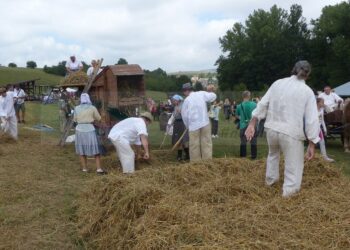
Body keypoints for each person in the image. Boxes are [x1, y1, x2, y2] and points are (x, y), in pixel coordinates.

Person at [245, 60, 320, 198]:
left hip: (272, 129)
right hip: (291, 133)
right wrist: (312, 142)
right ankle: (289, 195)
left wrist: (252, 123)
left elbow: (262, 104)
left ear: (293, 69)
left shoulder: (277, 83)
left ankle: (270, 182)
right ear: (308, 75)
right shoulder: (307, 91)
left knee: (273, 155)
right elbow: (312, 119)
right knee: (293, 164)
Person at [181, 83, 217, 161]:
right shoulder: (201, 93)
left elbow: (184, 115)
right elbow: (214, 96)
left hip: (193, 125)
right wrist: (209, 91)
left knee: (194, 145)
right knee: (206, 143)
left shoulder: (187, 100)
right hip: (205, 123)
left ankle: (196, 164)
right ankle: (207, 162)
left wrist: (187, 125)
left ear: (186, 91)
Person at [73, 93, 106, 174]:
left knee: (82, 150)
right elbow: (99, 119)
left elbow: (75, 120)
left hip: (79, 130)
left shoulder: (76, 108)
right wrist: (103, 116)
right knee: (95, 150)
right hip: (90, 130)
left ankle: (84, 169)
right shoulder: (92, 108)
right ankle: (98, 169)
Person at [236, 91, 257, 159]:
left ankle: (243, 156)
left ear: (243, 96)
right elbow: (257, 114)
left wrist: (242, 118)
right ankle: (253, 156)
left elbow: (237, 115)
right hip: (252, 125)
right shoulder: (254, 104)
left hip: (243, 125)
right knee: (253, 141)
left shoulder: (239, 106)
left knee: (243, 141)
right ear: (249, 96)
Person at [168, 94, 189, 161]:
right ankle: (179, 156)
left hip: (182, 123)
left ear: (177, 100)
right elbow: (174, 115)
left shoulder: (183, 105)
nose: (173, 102)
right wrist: (171, 123)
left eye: (174, 100)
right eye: (173, 101)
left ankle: (187, 155)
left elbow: (186, 114)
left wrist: (180, 112)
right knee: (177, 140)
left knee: (183, 140)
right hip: (177, 124)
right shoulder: (176, 106)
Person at [316, 97, 335, 162]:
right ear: (318, 103)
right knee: (312, 142)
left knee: (322, 142)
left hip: (319, 129)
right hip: (313, 129)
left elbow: (322, 120)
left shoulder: (321, 110)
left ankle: (324, 157)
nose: (323, 103)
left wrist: (325, 129)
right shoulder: (312, 109)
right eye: (322, 102)